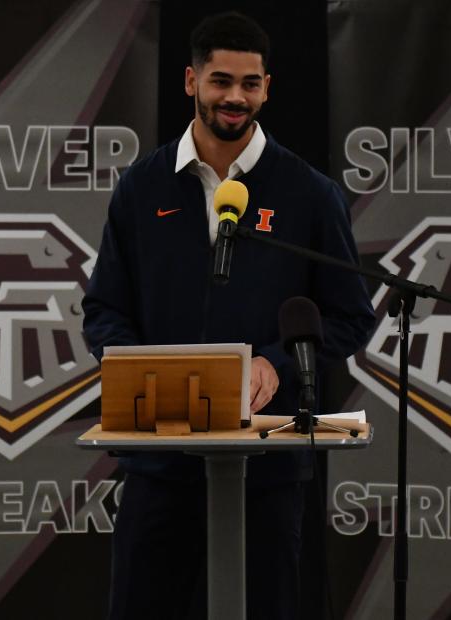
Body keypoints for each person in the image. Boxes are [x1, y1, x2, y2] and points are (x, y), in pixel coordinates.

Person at [81, 11, 376, 619]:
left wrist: (278, 365)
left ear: (267, 87)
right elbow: (104, 310)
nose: (235, 97)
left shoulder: (308, 193)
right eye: (220, 81)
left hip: (267, 469)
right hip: (158, 461)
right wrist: (138, 368)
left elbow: (348, 316)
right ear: (190, 81)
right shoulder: (141, 188)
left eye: (249, 83)